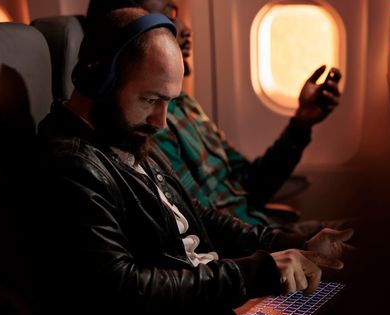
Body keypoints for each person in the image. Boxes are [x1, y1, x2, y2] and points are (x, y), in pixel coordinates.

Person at [33, 7, 354, 315]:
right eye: (150, 100)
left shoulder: (123, 136)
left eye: (168, 102)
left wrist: (293, 246)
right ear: (98, 79)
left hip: (215, 296)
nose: (161, 122)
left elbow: (197, 216)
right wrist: (258, 272)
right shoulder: (71, 165)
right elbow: (125, 290)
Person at [86, 0, 345, 236]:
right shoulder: (141, 126)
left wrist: (301, 124)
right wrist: (277, 251)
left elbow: (248, 184)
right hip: (245, 246)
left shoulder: (186, 105)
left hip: (262, 230)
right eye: (167, 15)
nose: (185, 28)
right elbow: (196, 225)